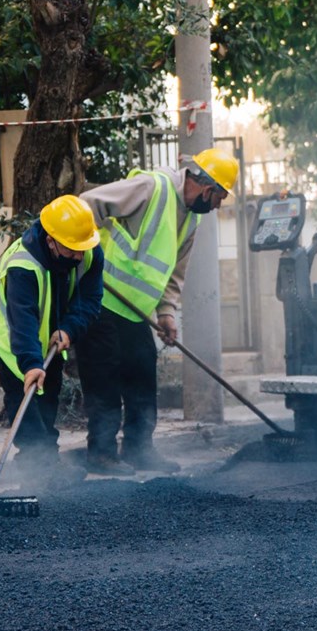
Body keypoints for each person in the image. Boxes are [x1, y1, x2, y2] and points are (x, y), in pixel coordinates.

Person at [76, 148, 239, 475]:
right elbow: (86, 203)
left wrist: (166, 312)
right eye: (220, 197)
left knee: (142, 376)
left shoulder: (191, 218)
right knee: (104, 379)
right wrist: (80, 256)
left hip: (136, 311)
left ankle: (139, 450)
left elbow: (175, 270)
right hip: (100, 299)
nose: (219, 205)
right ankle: (102, 454)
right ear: (207, 187)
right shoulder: (152, 187)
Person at [0, 193, 105, 483]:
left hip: (52, 326)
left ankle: (48, 462)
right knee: (25, 392)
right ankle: (34, 467)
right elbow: (22, 321)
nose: (78, 256)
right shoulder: (23, 267)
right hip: (8, 327)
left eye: (81, 249)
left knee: (52, 387)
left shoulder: (88, 249)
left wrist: (69, 329)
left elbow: (92, 299)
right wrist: (31, 364)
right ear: (50, 241)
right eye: (72, 249)